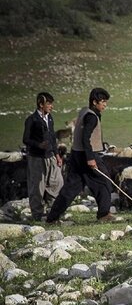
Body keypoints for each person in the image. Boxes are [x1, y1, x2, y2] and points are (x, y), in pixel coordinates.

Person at [46, 88, 115, 224]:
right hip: (87, 155)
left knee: (71, 188)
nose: (105, 105)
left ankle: (52, 218)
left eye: (106, 102)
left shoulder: (84, 111)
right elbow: (86, 138)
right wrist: (90, 158)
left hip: (76, 154)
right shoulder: (91, 117)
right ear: (94, 102)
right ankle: (103, 214)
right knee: (105, 182)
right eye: (103, 102)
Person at [23, 92, 64, 220]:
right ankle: (37, 214)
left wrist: (57, 155)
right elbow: (25, 139)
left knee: (57, 182)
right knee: (37, 186)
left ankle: (54, 211)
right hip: (36, 157)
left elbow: (52, 137)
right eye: (49, 104)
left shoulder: (50, 118)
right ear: (41, 104)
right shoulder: (31, 120)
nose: (51, 106)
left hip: (50, 156)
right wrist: (38, 145)